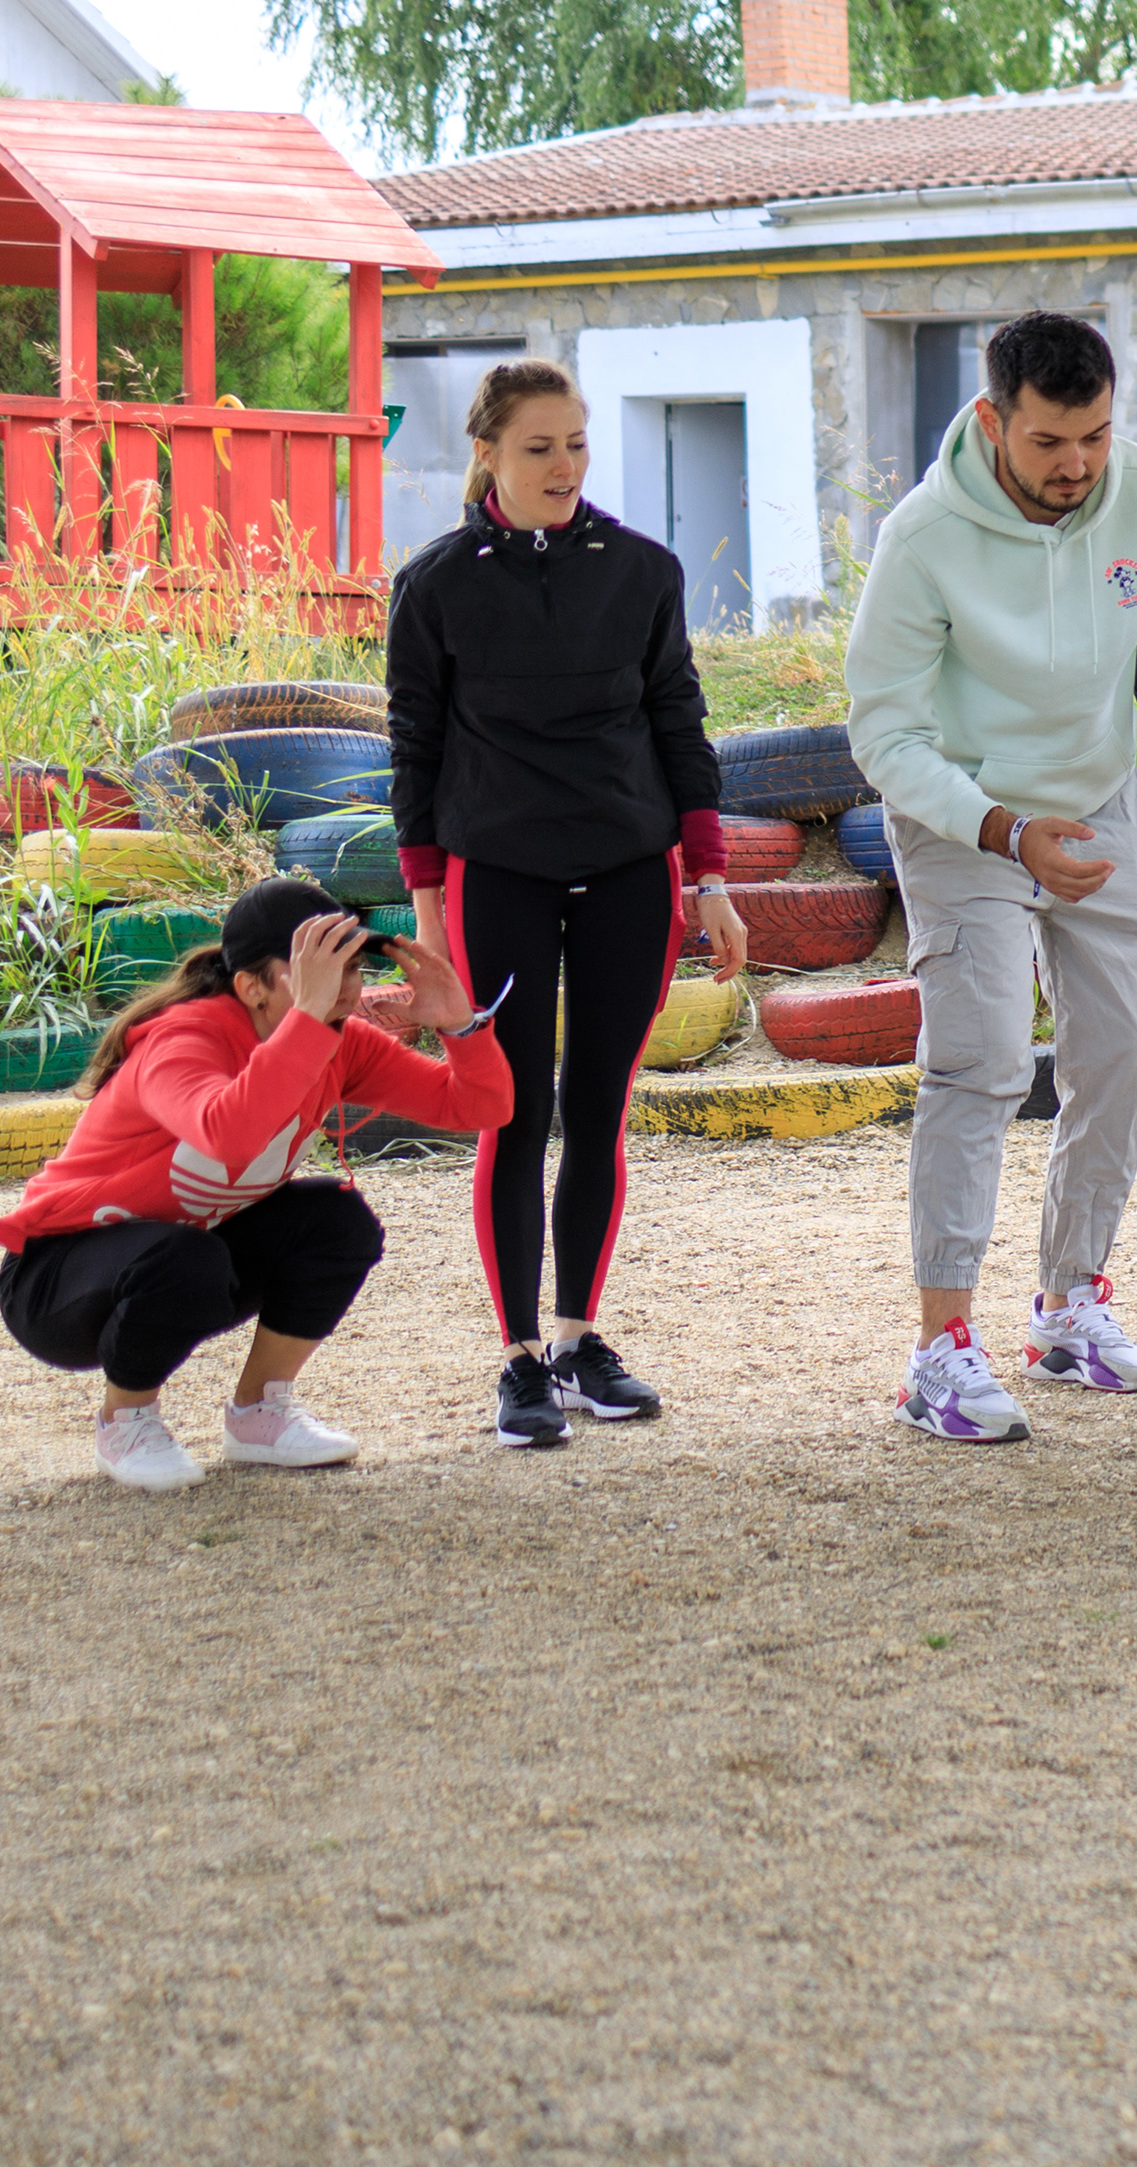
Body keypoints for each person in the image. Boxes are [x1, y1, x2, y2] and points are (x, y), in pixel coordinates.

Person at [845, 309, 1137, 1441]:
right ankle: (940, 1348)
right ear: (995, 423)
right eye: (1048, 442)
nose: (1077, 464)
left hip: (1098, 801)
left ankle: (1069, 1305)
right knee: (981, 1061)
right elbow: (884, 736)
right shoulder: (923, 537)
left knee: (1126, 1055)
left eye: (1095, 435)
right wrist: (999, 828)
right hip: (964, 812)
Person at [389, 357, 744, 1450]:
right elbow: (415, 750)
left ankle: (581, 1339)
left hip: (628, 874)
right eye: (538, 447)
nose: (563, 466)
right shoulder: (435, 584)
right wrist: (427, 909)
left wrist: (711, 878)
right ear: (488, 454)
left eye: (577, 444)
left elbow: (679, 721)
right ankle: (519, 1361)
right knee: (512, 1112)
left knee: (597, 1109)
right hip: (496, 875)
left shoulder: (643, 571)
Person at [0, 877, 512, 1491]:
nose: (346, 988)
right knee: (187, 1257)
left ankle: (259, 1415)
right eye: (319, 971)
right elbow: (228, 1134)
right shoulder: (182, 1038)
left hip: (184, 1253)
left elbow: (479, 1107)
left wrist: (460, 1025)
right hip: (56, 1281)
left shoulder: (336, 1042)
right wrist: (310, 1021)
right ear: (251, 987)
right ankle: (125, 1422)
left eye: (351, 967)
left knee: (336, 1221)